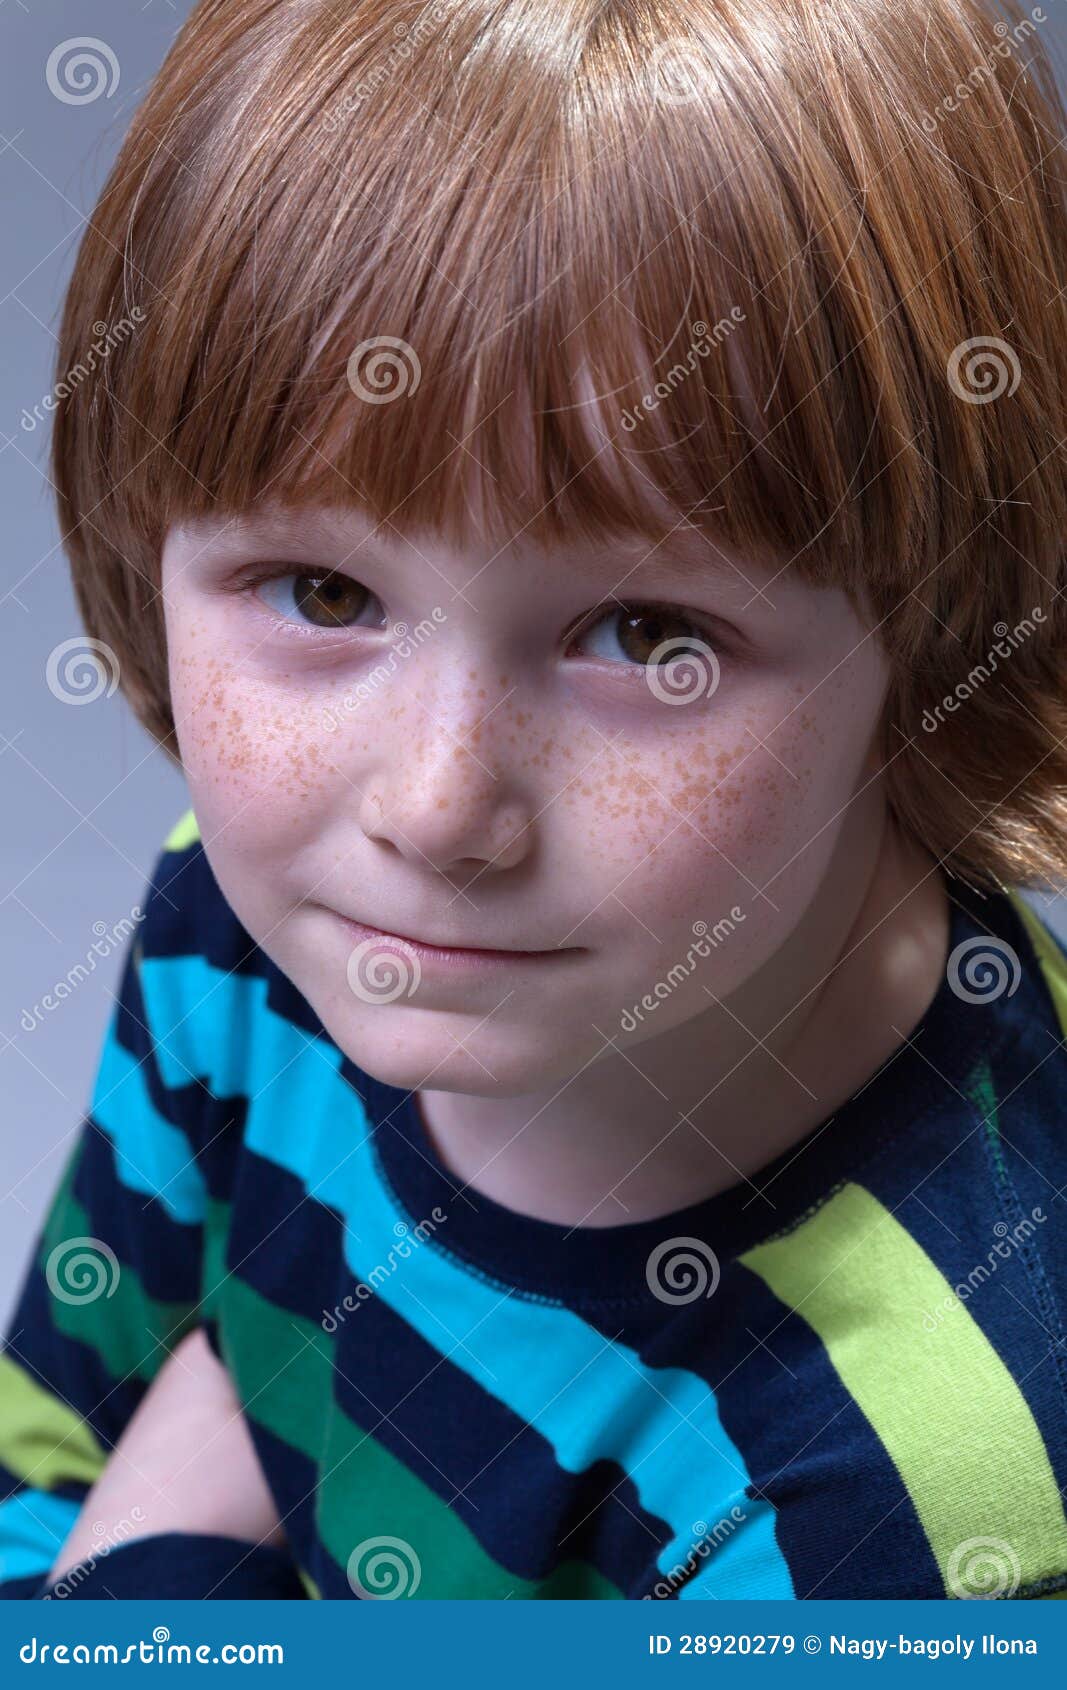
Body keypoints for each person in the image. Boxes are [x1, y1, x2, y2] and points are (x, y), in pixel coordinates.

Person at [3, 0, 1067, 1601]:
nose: (435, 812)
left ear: (941, 630)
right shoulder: (243, 942)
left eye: (648, 635)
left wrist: (159, 1555)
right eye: (320, 588)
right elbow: (36, 1468)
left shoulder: (909, 1498)